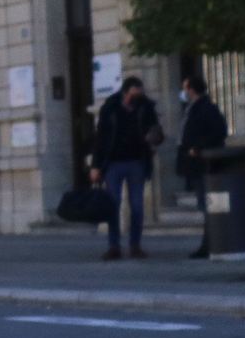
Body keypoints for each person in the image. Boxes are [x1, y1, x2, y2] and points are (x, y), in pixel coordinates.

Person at [89, 75, 163, 260]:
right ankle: (114, 246)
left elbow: (156, 130)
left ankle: (135, 245)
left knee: (137, 206)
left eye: (140, 93)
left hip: (137, 161)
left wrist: (154, 136)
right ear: (125, 92)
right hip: (113, 163)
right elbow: (101, 138)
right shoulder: (111, 107)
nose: (137, 97)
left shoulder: (146, 106)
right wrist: (96, 166)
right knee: (113, 205)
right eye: (133, 94)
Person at [173, 73, 229, 260]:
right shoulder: (194, 108)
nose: (183, 92)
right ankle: (210, 243)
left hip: (202, 164)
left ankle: (210, 244)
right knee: (205, 204)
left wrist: (197, 148)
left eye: (185, 88)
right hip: (195, 165)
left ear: (192, 90)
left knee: (208, 205)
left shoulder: (205, 108)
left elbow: (219, 131)